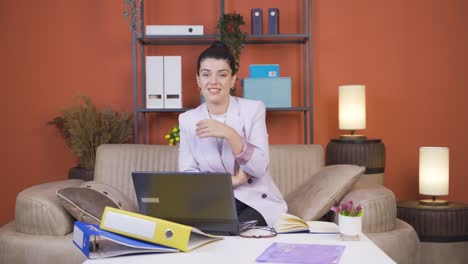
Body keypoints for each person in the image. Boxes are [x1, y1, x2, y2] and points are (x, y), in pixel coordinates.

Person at [178, 41, 287, 227]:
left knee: (229, 227)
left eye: (222, 74)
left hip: (253, 202)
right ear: (198, 80)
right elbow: (188, 179)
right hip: (212, 202)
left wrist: (231, 134)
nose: (213, 81)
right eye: (206, 74)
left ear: (233, 79)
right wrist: (234, 181)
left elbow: (259, 168)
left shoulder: (253, 110)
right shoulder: (188, 119)